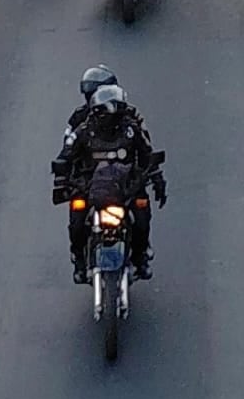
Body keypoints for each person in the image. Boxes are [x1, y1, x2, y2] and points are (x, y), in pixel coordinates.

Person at [53, 84, 165, 282]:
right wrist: (62, 180)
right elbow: (65, 156)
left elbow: (147, 155)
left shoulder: (131, 130)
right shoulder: (83, 131)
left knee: (142, 217)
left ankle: (140, 258)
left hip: (127, 188)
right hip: (89, 188)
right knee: (77, 221)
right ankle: (79, 260)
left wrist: (156, 179)